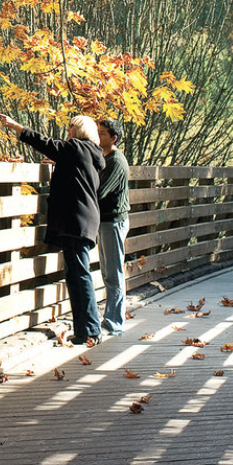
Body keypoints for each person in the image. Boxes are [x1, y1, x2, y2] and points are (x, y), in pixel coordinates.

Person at [0, 113, 106, 345]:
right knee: (77, 274)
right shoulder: (91, 153)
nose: (68, 133)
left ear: (79, 131)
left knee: (79, 275)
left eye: (70, 129)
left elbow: (45, 142)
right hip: (84, 219)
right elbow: (77, 173)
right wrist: (61, 163)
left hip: (76, 221)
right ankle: (85, 330)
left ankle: (91, 330)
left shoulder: (76, 148)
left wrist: (17, 125)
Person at [95, 118, 130, 337]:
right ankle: (111, 318)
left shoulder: (116, 161)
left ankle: (115, 321)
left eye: (102, 134)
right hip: (106, 220)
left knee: (114, 272)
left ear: (113, 138)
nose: (98, 137)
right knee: (107, 272)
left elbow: (100, 191)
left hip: (114, 221)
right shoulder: (104, 157)